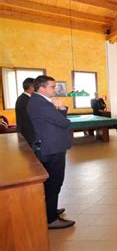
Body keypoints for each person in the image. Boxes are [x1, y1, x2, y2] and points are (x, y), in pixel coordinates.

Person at [27, 75, 74, 229]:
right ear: (42, 88)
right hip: (52, 148)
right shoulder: (40, 104)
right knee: (54, 183)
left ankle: (50, 210)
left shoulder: (38, 101)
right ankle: (51, 219)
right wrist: (61, 107)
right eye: (52, 87)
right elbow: (64, 123)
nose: (55, 89)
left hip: (51, 146)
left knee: (51, 183)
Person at [15, 77, 36, 146]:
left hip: (27, 131)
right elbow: (30, 117)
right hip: (28, 132)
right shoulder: (25, 100)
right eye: (35, 86)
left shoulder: (23, 98)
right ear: (31, 87)